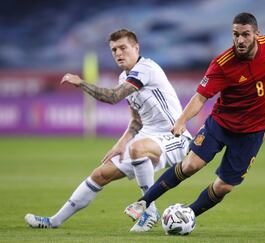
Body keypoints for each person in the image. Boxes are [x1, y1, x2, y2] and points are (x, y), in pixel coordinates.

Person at [124, 12, 265, 223]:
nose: (240, 40)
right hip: (221, 124)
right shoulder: (222, 64)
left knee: (225, 186)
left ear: (257, 34)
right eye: (235, 34)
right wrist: (182, 121)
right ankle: (143, 202)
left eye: (245, 35)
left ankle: (187, 216)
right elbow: (200, 98)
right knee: (191, 164)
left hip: (252, 132)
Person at [24, 29, 192, 232]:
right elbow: (136, 121)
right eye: (114, 50)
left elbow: (112, 97)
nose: (119, 53)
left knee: (137, 148)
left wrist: (82, 83)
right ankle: (54, 221)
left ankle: (148, 209)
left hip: (175, 135)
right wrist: (121, 143)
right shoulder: (124, 77)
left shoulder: (146, 68)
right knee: (100, 174)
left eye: (123, 48)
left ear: (136, 48)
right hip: (149, 137)